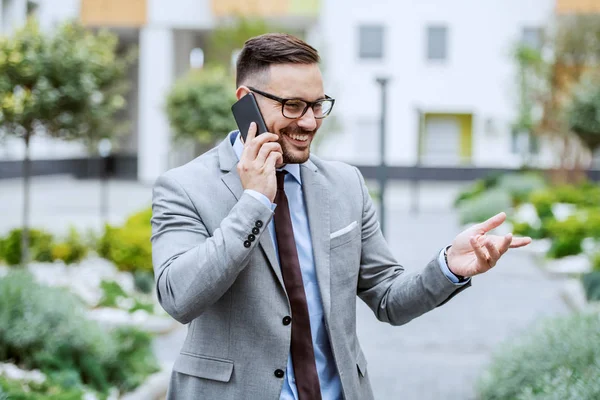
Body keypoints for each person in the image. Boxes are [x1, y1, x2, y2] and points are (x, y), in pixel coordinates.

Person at [150, 33, 531, 400]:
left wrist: (449, 266)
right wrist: (253, 201)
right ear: (246, 100)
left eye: (317, 105)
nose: (310, 123)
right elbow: (179, 299)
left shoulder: (345, 184)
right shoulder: (183, 187)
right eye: (293, 105)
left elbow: (389, 299)